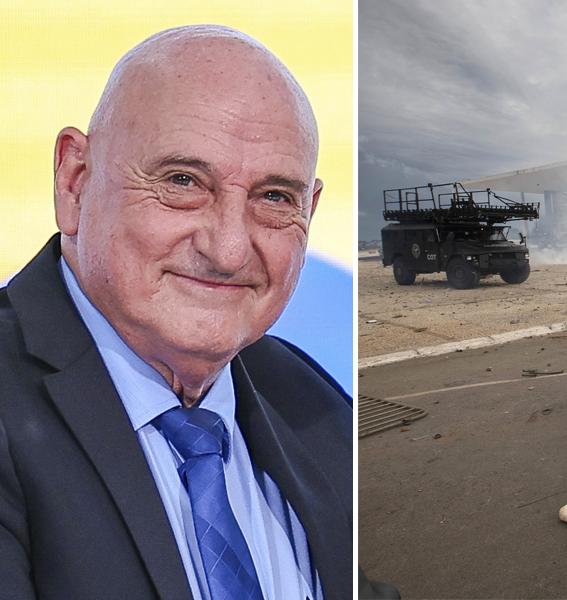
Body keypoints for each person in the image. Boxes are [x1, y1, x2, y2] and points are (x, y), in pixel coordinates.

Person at [0, 26, 351, 600]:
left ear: (309, 212)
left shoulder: (313, 402)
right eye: (182, 182)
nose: (229, 249)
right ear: (75, 181)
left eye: (274, 198)